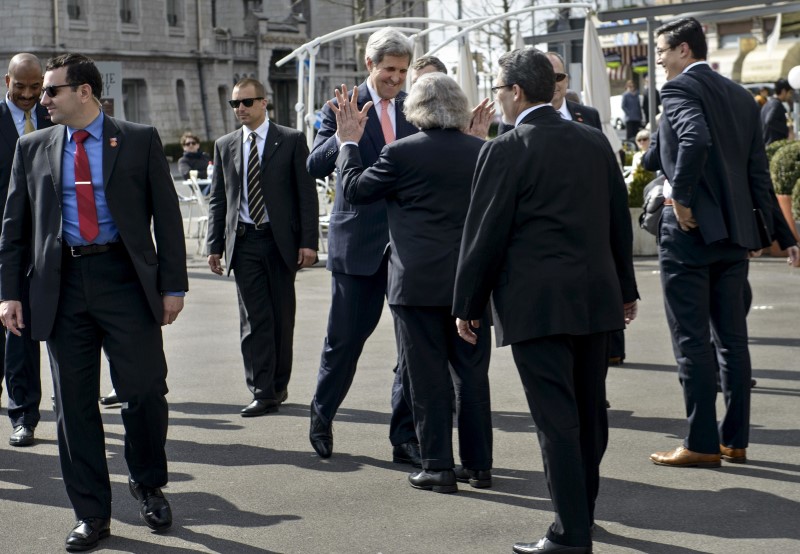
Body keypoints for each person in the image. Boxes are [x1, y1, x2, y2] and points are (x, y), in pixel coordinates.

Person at [453, 48, 638, 554]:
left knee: (556, 419)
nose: (496, 98)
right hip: (596, 298)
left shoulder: (506, 148)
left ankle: (570, 532)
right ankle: (582, 515)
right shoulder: (594, 140)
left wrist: (468, 304)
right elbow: (616, 220)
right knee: (589, 412)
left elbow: (484, 236)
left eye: (497, 89)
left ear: (515, 91)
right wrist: (626, 288)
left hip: (536, 306)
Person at [0, 52, 187, 551]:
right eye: (41, 92)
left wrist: (174, 286)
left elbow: (167, 220)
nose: (43, 99)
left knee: (145, 391)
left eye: (52, 91)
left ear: (84, 92)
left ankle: (147, 483)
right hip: (61, 285)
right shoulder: (32, 146)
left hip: (125, 279)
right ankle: (91, 513)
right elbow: (14, 229)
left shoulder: (138, 139)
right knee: (73, 406)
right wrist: (9, 294)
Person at [333, 73, 493, 494]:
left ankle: (438, 466)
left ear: (414, 110)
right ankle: (479, 465)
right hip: (471, 282)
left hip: (417, 283)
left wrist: (349, 141)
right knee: (472, 377)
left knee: (426, 378)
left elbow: (354, 190)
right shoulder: (484, 151)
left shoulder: (400, 153)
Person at [642, 18, 789, 469]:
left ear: (684, 50)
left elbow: (696, 138)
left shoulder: (678, 89)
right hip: (734, 236)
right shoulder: (742, 96)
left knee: (691, 341)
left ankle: (702, 442)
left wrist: (681, 197)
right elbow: (757, 173)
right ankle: (735, 440)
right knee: (733, 340)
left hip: (688, 234)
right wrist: (783, 236)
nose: (658, 59)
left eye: (662, 50)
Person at [305, 29, 421, 464]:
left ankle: (404, 436)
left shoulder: (414, 106)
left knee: (410, 347)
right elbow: (312, 165)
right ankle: (322, 414)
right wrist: (343, 135)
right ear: (370, 64)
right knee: (345, 342)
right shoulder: (341, 104)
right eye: (389, 70)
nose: (395, 78)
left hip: (410, 246)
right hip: (359, 244)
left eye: (402, 71)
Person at [206, 78, 318, 417]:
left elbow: (306, 196)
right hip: (244, 241)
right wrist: (214, 245)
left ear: (264, 103)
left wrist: (308, 243)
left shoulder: (291, 140)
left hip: (280, 241)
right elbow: (218, 200)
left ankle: (278, 385)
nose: (240, 109)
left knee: (282, 317)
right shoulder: (225, 145)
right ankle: (262, 390)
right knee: (253, 320)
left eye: (247, 102)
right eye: (235, 104)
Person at [0, 53, 51, 447]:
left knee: (22, 333)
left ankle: (24, 416)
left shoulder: (56, 120)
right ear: (7, 81)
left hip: (41, 249)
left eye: (37, 88)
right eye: (22, 87)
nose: (29, 95)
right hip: (2, 244)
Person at [761, 78, 794, 146]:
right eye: (790, 92)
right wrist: (788, 130)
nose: (790, 96)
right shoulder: (776, 104)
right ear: (784, 91)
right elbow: (770, 120)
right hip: (773, 147)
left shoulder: (768, 103)